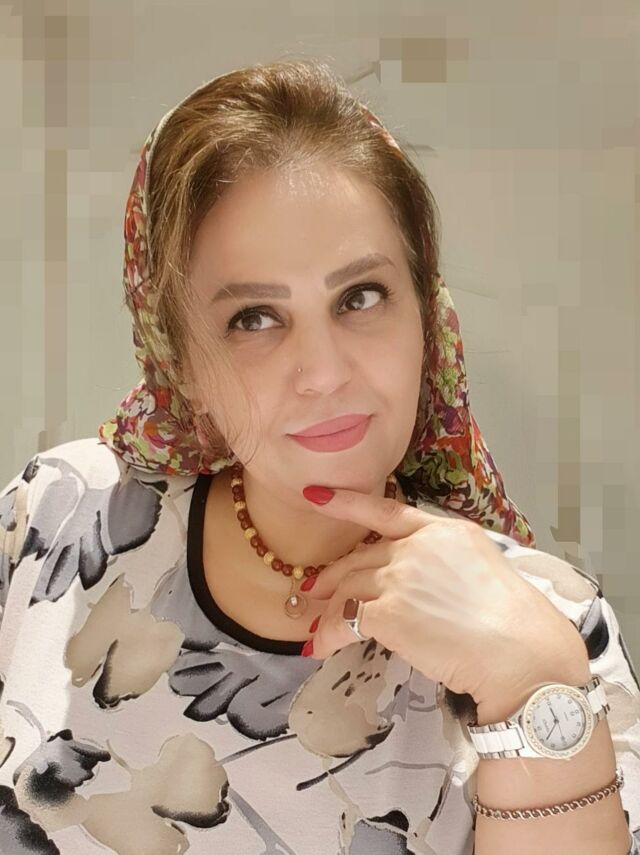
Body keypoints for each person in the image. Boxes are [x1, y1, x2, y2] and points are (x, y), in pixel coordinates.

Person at [0, 59, 638, 855]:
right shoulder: (59, 519)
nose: (325, 372)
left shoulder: (553, 622)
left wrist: (527, 680)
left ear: (428, 318)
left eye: (360, 297)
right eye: (254, 317)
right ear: (180, 362)